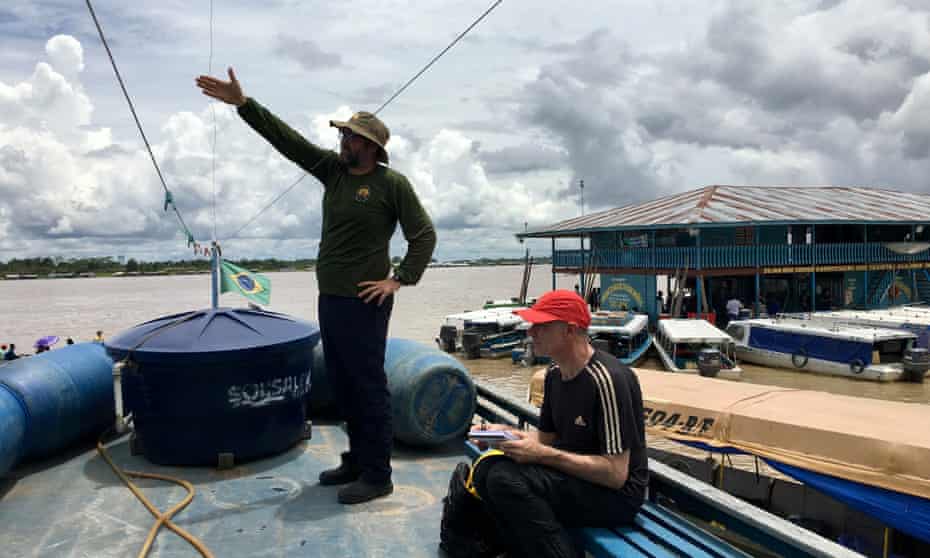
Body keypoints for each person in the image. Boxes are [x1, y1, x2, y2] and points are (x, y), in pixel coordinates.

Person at [196, 68, 436, 505]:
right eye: (343, 135)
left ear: (371, 147)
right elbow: (287, 141)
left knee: (368, 385)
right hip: (332, 298)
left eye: (351, 137)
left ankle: (378, 474)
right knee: (343, 384)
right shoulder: (334, 172)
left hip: (366, 303)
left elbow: (424, 235)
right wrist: (244, 104)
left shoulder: (391, 185)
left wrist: (397, 279)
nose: (342, 142)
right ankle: (357, 459)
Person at [468, 290, 648, 558]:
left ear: (570, 331)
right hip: (576, 477)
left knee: (505, 480)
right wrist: (504, 434)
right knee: (486, 471)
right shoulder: (554, 375)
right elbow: (545, 441)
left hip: (616, 495)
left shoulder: (608, 379)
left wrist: (542, 455)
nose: (531, 332)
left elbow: (615, 474)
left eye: (541, 325)